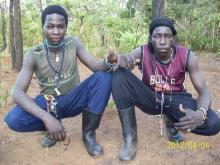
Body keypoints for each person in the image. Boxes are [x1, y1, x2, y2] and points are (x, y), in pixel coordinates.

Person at [4, 5, 113, 157]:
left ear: (66, 28)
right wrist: (47, 118)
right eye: (50, 26)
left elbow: (96, 67)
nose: (56, 31)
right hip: (49, 105)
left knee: (104, 77)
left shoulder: (73, 43)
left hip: (75, 98)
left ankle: (88, 134)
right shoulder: (34, 54)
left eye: (60, 26)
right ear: (43, 27)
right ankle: (52, 128)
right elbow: (17, 92)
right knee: (13, 119)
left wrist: (107, 62)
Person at [110, 17, 220, 161]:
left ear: (173, 39)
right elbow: (128, 58)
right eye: (157, 36)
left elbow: (204, 92)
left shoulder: (187, 56)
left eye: (167, 36)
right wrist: (123, 60)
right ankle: (130, 139)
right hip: (150, 97)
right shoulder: (143, 51)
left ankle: (171, 121)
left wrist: (200, 113)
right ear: (151, 38)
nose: (162, 41)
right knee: (119, 75)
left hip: (176, 100)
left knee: (213, 124)